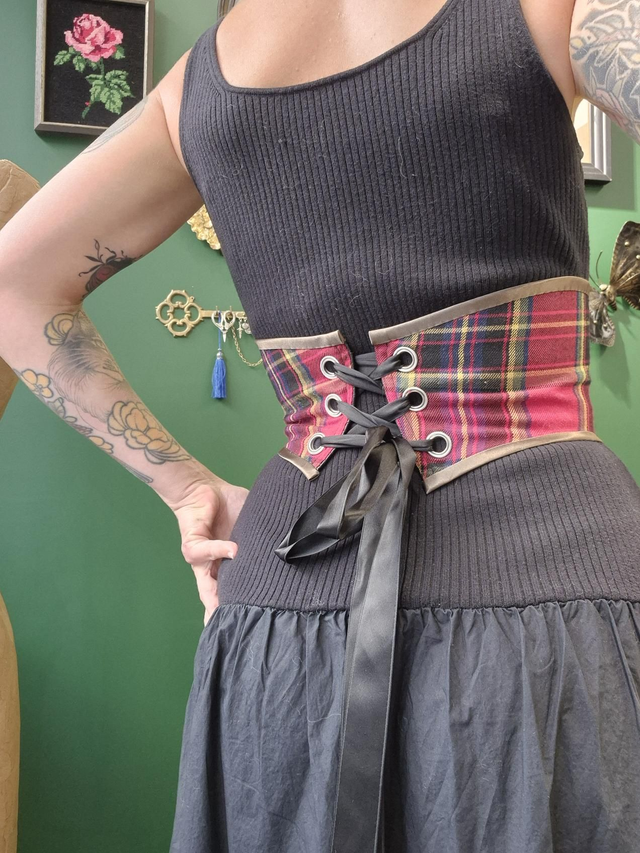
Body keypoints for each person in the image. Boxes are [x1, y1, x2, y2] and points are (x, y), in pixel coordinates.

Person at [1, 0, 639, 850]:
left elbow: (13, 281)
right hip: (559, 601)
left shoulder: (195, 88)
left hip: (283, 611)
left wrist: (186, 487)